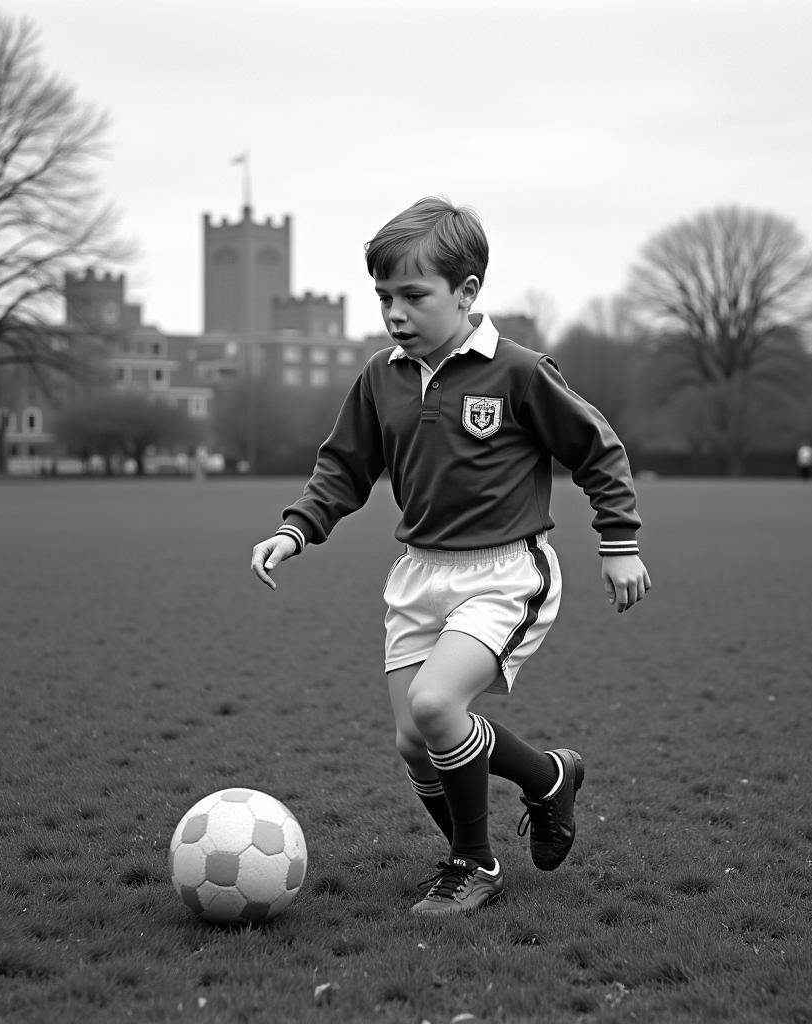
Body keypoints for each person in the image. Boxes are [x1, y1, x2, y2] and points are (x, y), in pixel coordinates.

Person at [251, 197, 651, 916]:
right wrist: (296, 529)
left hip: (505, 571)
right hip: (419, 574)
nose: (395, 313)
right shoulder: (382, 376)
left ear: (467, 293)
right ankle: (549, 780)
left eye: (413, 295)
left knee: (438, 707)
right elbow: (343, 466)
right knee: (414, 742)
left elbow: (599, 449)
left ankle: (475, 864)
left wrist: (618, 543)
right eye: (384, 298)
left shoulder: (519, 372)